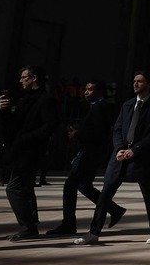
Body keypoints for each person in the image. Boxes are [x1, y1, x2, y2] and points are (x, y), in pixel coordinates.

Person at [77, 72, 150, 245]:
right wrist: (119, 148)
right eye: (134, 81)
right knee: (106, 192)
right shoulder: (128, 105)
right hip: (119, 156)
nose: (136, 84)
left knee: (149, 192)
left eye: (140, 81)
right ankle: (94, 232)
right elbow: (117, 128)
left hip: (142, 156)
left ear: (149, 84)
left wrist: (136, 149)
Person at [48, 81, 123, 236]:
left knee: (70, 185)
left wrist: (78, 134)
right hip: (91, 152)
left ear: (100, 91)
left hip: (90, 153)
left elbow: (98, 134)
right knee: (83, 185)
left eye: (90, 89)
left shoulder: (100, 108)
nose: (86, 92)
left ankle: (69, 224)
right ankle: (114, 209)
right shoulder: (95, 107)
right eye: (85, 89)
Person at [0, 66, 59, 240]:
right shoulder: (24, 100)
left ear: (34, 78)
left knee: (13, 188)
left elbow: (50, 126)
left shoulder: (46, 100)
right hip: (20, 150)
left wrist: (25, 138)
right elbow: (11, 128)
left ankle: (28, 226)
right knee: (25, 187)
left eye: (24, 77)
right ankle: (32, 223)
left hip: (30, 152)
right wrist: (4, 112)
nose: (20, 80)